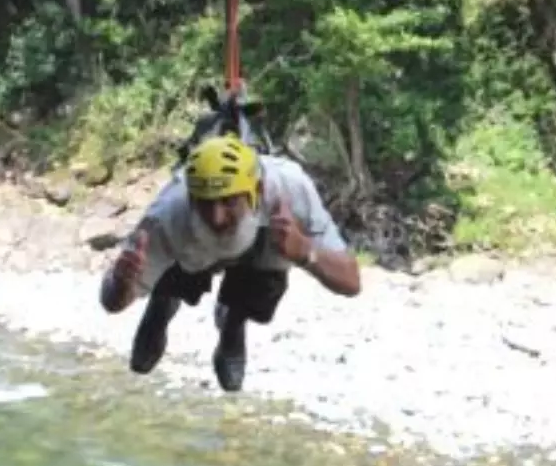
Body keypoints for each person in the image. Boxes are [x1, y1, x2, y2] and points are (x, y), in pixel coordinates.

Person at [98, 133, 361, 392]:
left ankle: (233, 322)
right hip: (190, 252)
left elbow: (351, 282)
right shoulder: (168, 213)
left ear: (256, 190)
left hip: (260, 249)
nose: (217, 217)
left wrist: (305, 251)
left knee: (270, 273)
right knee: (172, 265)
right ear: (190, 197)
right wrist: (122, 283)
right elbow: (111, 303)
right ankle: (161, 304)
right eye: (205, 203)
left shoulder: (291, 190)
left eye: (229, 201)